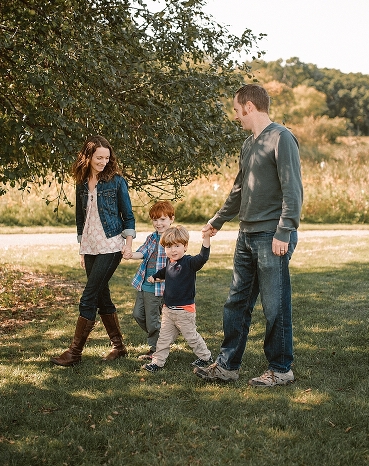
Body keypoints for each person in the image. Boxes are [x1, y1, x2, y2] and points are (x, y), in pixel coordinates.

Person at [193, 84, 303, 387]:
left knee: (275, 306)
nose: (236, 115)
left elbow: (293, 190)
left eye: (236, 109)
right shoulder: (247, 144)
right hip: (246, 234)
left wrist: (285, 230)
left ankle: (281, 370)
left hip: (272, 235)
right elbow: (239, 190)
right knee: (236, 303)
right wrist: (218, 220)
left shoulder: (282, 138)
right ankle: (227, 367)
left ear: (249, 107)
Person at [51, 135, 136, 366]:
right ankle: (119, 347)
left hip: (111, 245)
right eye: (99, 157)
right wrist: (82, 248)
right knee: (101, 295)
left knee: (88, 296)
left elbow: (128, 216)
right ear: (87, 157)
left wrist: (128, 244)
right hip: (90, 245)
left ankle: (74, 352)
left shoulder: (116, 181)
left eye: (107, 158)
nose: (103, 162)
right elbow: (81, 218)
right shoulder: (81, 182)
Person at [141, 225, 212, 373]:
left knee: (191, 337)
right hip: (168, 310)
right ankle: (157, 362)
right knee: (163, 339)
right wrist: (155, 277)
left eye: (177, 246)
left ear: (185, 246)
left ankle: (206, 357)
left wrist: (206, 239)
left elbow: (203, 257)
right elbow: (165, 272)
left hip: (184, 311)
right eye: (168, 247)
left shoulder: (189, 263)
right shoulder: (170, 262)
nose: (172, 250)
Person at [124, 201, 175, 360]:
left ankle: (156, 350)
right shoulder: (151, 237)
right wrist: (130, 254)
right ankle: (162, 338)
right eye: (155, 220)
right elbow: (142, 253)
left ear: (171, 219)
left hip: (158, 287)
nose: (158, 223)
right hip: (144, 284)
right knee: (138, 315)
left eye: (162, 219)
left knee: (152, 320)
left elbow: (175, 263)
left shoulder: (172, 239)